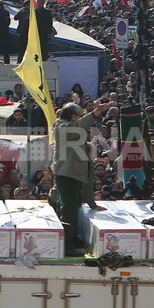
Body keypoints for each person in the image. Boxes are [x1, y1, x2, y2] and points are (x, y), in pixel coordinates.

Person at [51, 101, 108, 256]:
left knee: (72, 207)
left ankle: (71, 239)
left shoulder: (69, 127)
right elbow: (78, 127)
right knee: (68, 210)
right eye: (78, 116)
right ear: (72, 116)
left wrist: (92, 203)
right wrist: (94, 113)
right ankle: (66, 246)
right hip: (66, 174)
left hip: (73, 173)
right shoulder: (60, 127)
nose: (79, 119)